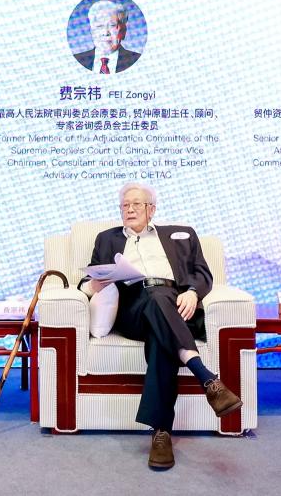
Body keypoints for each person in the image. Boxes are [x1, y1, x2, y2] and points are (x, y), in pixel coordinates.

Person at [79, 183, 242, 470]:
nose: (129, 209)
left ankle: (161, 433)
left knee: (160, 333)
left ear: (151, 209)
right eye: (125, 205)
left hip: (176, 305)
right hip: (133, 310)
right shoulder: (106, 239)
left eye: (136, 204)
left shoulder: (182, 235)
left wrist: (192, 293)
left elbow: (203, 274)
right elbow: (86, 280)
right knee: (154, 297)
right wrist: (94, 285)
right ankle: (206, 377)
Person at [74, 0, 142, 73]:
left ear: (123, 31)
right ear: (92, 31)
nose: (105, 33)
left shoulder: (138, 61)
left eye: (112, 25)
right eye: (99, 26)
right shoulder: (76, 60)